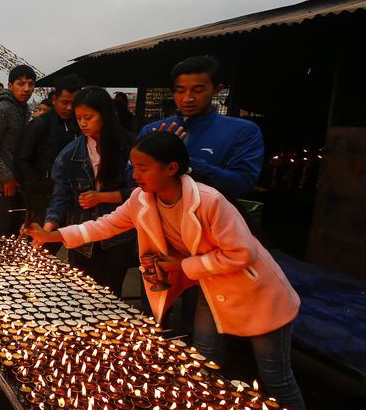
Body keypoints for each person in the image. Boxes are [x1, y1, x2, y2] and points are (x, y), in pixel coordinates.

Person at [26, 132, 305, 410]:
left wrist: (182, 266)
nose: (134, 174)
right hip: (211, 286)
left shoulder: (210, 201)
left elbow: (242, 254)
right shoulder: (142, 199)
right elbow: (106, 225)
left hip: (257, 291)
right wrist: (56, 236)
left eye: (143, 168)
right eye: (133, 167)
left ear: (171, 168)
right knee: (204, 359)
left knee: (274, 376)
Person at [41, 86, 135, 297]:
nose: (82, 123)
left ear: (105, 115)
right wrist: (48, 229)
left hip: (118, 238)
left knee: (111, 294)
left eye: (89, 117)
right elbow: (60, 196)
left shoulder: (128, 148)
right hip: (83, 237)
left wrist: (103, 197)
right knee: (83, 293)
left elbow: (140, 193)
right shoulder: (70, 153)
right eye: (78, 117)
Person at [137, 56, 264, 202]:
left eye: (197, 90)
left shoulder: (243, 131)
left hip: (212, 221)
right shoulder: (153, 130)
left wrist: (184, 161)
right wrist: (154, 157)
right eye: (180, 90)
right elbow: (132, 178)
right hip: (158, 220)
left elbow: (241, 185)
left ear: (217, 90)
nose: (187, 98)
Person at [17, 75, 83, 233]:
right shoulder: (41, 124)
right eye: (65, 102)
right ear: (54, 99)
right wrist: (36, 188)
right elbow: (22, 159)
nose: (69, 108)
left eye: (73, 103)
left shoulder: (80, 124)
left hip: (74, 195)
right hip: (44, 196)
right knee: (42, 242)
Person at [0, 66, 35, 237]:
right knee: (0, 236)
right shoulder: (3, 108)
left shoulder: (24, 109)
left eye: (30, 84)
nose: (26, 89)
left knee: (14, 234)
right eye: (21, 84)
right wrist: (6, 177)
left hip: (17, 182)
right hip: (1, 186)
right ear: (10, 85)